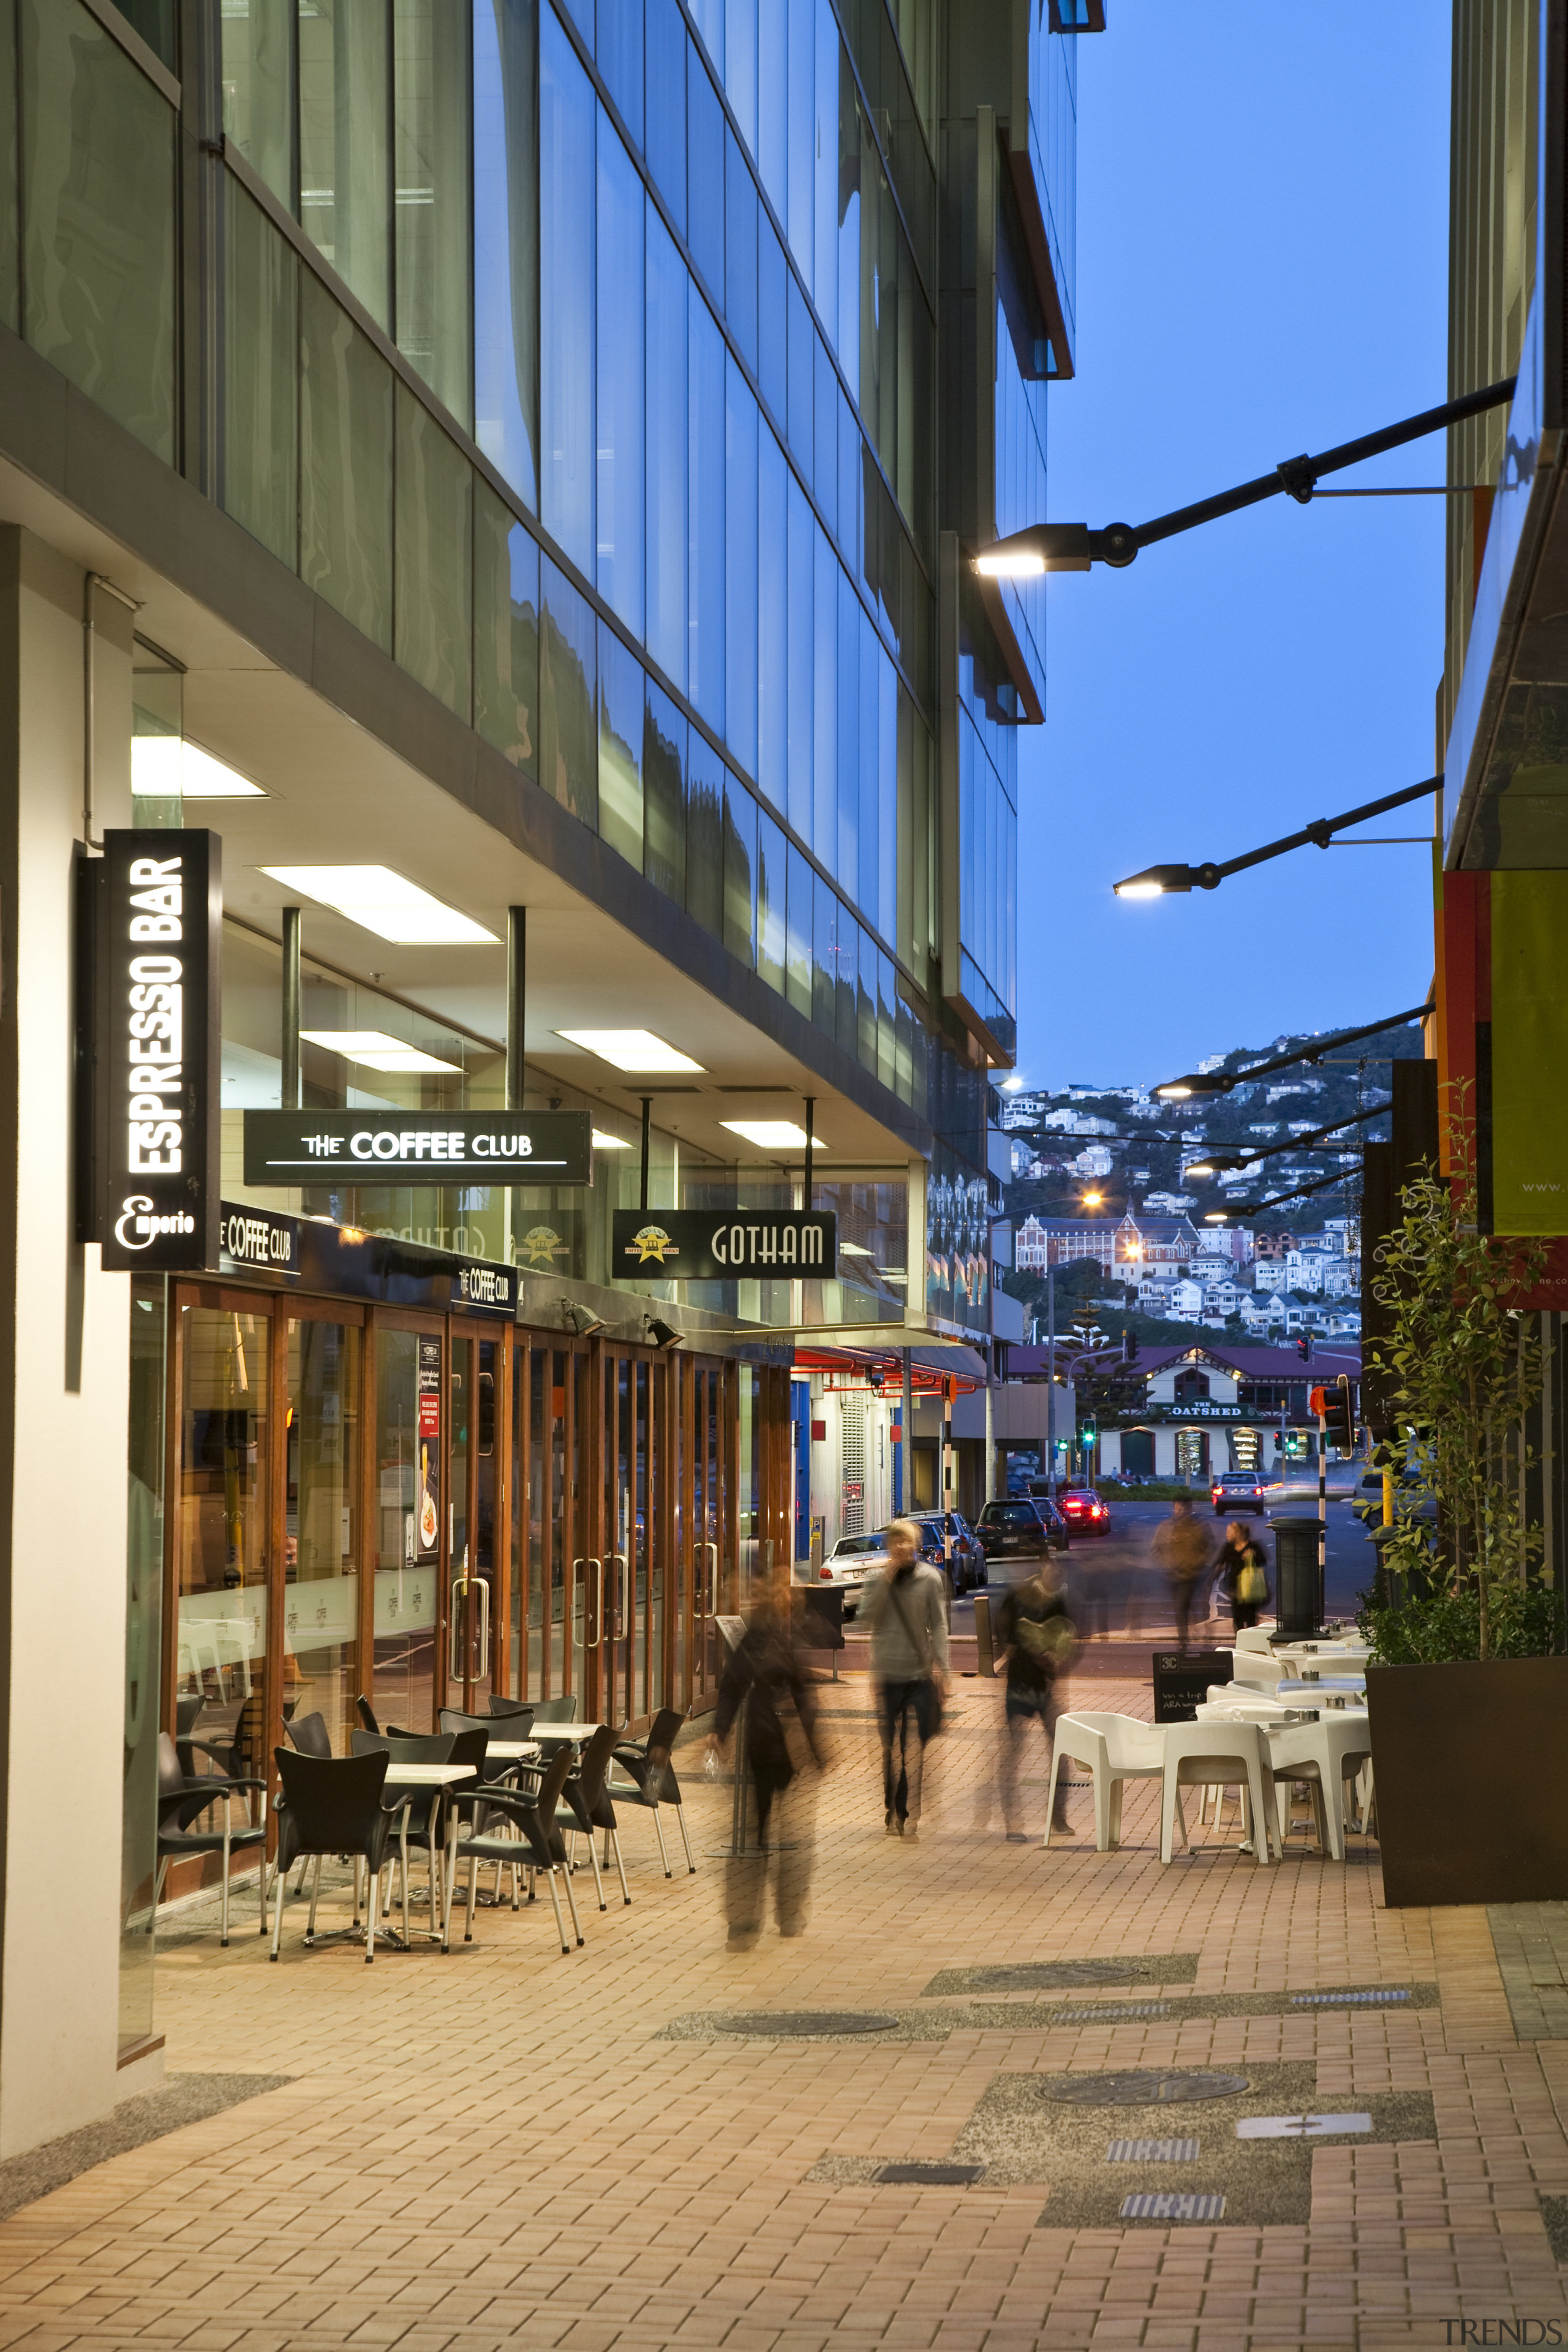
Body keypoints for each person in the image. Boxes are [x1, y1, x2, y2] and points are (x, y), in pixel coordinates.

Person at [710, 1595, 826, 1947]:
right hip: (764, 1748)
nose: (786, 1604)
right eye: (780, 1599)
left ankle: (788, 1915)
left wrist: (816, 1748)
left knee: (790, 1841)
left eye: (790, 1600)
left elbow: (805, 1694)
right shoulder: (758, 1638)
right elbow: (732, 1687)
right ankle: (746, 1922)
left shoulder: (797, 1635)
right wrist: (720, 1730)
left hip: (791, 1754)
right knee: (757, 1836)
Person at [864, 1518, 949, 1839]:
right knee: (891, 1749)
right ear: (889, 1545)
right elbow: (865, 1619)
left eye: (907, 1541)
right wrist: (884, 1584)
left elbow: (939, 1625)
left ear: (915, 1545)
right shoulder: (877, 1579)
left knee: (913, 1747)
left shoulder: (930, 1579)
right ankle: (893, 1807)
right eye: (895, 1541)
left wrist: (944, 1668)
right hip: (887, 1674)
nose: (901, 1546)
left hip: (918, 1673)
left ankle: (909, 1808)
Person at [997, 1558, 1075, 1841]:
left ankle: (1058, 1817)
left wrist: (1059, 1660)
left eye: (1060, 1568)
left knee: (1061, 1748)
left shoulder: (1059, 1603)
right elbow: (1002, 1628)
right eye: (1052, 1567)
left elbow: (1067, 1641)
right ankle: (1012, 1823)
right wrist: (1010, 1647)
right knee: (1013, 1752)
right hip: (1019, 1683)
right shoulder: (1019, 1596)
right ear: (1042, 1567)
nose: (1056, 1572)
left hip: (1045, 1688)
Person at [1152, 1497, 1213, 1654]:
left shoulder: (1199, 1526)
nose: (1179, 1512)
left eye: (1182, 1509)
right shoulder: (1167, 1526)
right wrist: (1167, 1563)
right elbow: (1156, 1547)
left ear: (1189, 1509)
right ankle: (1186, 1636)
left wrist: (1197, 1563)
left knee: (1182, 1606)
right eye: (1177, 1508)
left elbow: (1209, 1546)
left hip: (1190, 1574)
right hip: (1173, 1574)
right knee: (1182, 1607)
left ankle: (1184, 1641)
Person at [1216, 1518, 1270, 1630]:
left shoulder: (1253, 1547)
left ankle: (1251, 1642)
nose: (1227, 1535)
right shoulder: (1229, 1547)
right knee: (1238, 1618)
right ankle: (1240, 1641)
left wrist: (1253, 1556)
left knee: (1250, 1618)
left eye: (1230, 1532)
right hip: (1235, 1589)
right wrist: (1210, 1580)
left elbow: (1264, 1561)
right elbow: (1220, 1563)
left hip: (1251, 1588)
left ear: (1238, 1533)